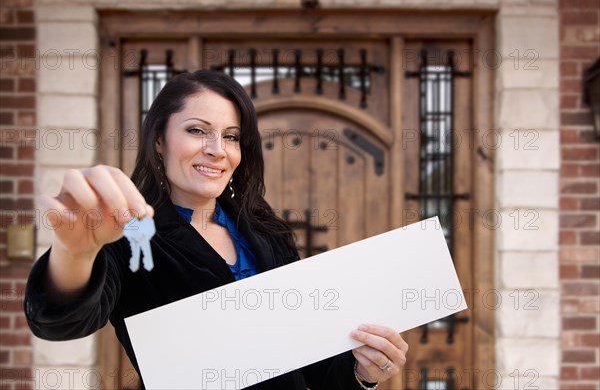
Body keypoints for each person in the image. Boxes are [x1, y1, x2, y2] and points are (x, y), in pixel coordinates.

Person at [24, 70, 408, 389]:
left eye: (231, 136)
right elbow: (60, 322)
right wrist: (75, 252)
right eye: (196, 130)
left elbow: (314, 366)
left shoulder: (266, 232)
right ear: (159, 139)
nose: (217, 149)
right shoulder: (127, 234)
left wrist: (364, 373)